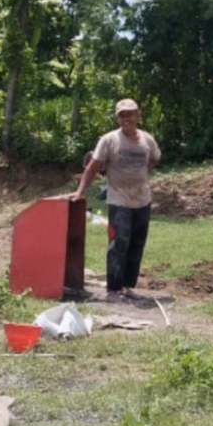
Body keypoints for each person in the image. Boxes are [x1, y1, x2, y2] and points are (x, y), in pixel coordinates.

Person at [70, 99, 161, 302]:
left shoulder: (147, 140)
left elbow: (155, 158)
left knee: (137, 244)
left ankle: (127, 287)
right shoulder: (109, 140)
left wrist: (141, 174)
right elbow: (93, 167)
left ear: (138, 115)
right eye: (122, 115)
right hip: (119, 201)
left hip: (143, 200)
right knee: (118, 243)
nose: (126, 118)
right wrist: (80, 191)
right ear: (117, 118)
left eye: (130, 114)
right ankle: (113, 289)